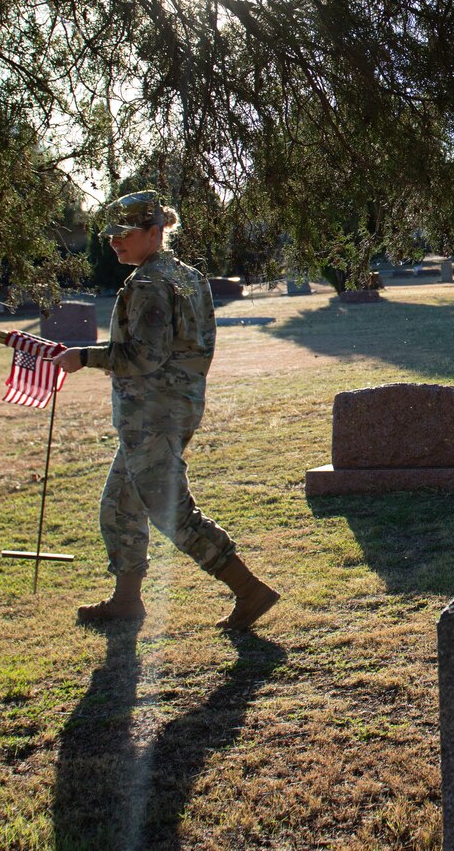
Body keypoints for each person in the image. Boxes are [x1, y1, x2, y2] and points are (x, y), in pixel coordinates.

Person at [51, 191, 279, 630]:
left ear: (155, 233)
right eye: (112, 235)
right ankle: (127, 600)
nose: (115, 243)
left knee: (170, 510)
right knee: (120, 504)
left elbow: (143, 357)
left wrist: (84, 357)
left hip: (153, 415)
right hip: (171, 409)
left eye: (125, 235)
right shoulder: (187, 276)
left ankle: (248, 589)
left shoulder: (150, 284)